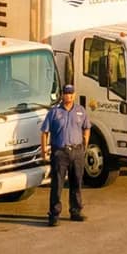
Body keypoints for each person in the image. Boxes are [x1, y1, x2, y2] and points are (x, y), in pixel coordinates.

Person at [39, 81, 90, 227]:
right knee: (57, 184)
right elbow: (44, 132)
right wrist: (44, 150)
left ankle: (76, 211)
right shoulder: (54, 112)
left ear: (74, 95)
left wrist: (85, 143)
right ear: (62, 95)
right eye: (66, 93)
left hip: (77, 151)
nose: (68, 96)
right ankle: (54, 214)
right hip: (60, 152)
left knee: (77, 182)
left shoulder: (80, 111)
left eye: (71, 93)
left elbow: (87, 127)